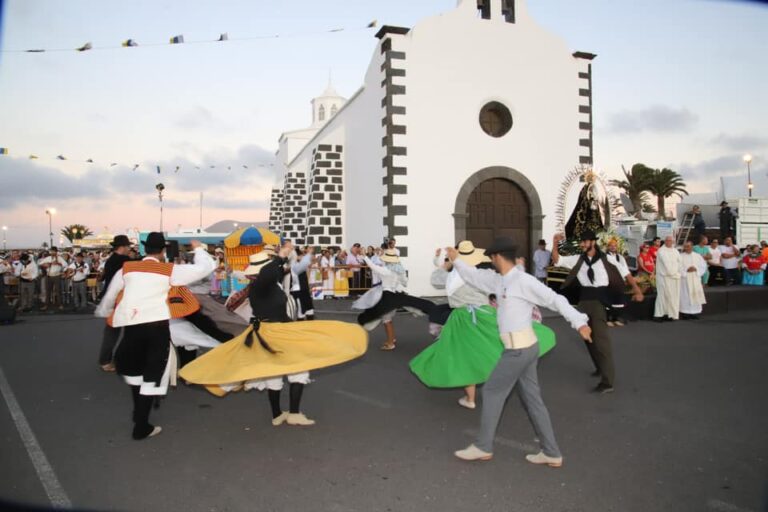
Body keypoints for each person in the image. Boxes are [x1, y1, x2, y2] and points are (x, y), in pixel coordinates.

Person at [178, 243, 368, 427]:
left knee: (274, 372)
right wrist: (281, 255)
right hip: (276, 332)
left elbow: (279, 271)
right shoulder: (261, 286)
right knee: (299, 370)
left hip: (273, 331)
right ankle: (292, 414)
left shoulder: (265, 285)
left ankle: (278, 415)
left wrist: (289, 258)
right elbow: (271, 272)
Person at [448, 237, 591, 465]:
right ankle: (551, 452)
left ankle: (483, 446)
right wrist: (457, 261)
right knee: (533, 400)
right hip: (525, 348)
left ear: (496, 257)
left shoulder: (523, 281)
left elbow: (554, 299)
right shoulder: (499, 280)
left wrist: (579, 322)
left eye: (491, 258)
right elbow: (473, 276)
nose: (491, 262)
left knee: (493, 391)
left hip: (518, 350)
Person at [96, 233, 215, 440]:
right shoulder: (168, 270)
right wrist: (198, 249)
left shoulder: (127, 269)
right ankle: (141, 426)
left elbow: (111, 296)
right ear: (162, 251)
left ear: (144, 250)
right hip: (156, 328)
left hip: (131, 328)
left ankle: (138, 416)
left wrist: (106, 313)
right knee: (152, 376)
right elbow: (205, 268)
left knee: (135, 372)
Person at [410, 241, 556, 410]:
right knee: (498, 344)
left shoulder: (450, 276)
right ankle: (511, 374)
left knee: (464, 356)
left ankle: (470, 398)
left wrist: (446, 263)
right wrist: (519, 268)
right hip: (485, 314)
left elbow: (435, 280)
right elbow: (506, 282)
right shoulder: (482, 273)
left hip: (462, 318)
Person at [552, 231, 644, 393]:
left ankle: (608, 382)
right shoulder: (578, 260)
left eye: (585, 242)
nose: (582, 245)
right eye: (581, 242)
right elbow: (557, 260)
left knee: (601, 340)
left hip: (599, 301)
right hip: (584, 301)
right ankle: (600, 367)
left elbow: (626, 274)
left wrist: (637, 290)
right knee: (587, 338)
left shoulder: (607, 259)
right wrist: (555, 243)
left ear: (593, 242)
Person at [353, 249, 434, 350]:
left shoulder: (386, 270)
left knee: (386, 320)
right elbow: (404, 282)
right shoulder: (398, 271)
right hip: (394, 295)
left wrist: (365, 257)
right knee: (387, 319)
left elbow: (373, 267)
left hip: (387, 297)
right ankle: (392, 339)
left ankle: (390, 343)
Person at [97, 235, 134, 372]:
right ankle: (109, 360)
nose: (129, 248)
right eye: (128, 246)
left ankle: (107, 359)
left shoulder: (110, 260)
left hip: (112, 299)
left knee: (112, 332)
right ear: (123, 247)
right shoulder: (123, 260)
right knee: (120, 332)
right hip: (119, 300)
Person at [654, 236, 682, 322]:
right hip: (664, 277)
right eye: (668, 240)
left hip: (674, 277)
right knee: (662, 296)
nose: (670, 242)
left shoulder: (675, 251)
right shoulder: (661, 251)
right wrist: (673, 273)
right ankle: (659, 315)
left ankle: (669, 314)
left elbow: (680, 262)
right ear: (665, 241)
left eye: (671, 241)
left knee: (672, 296)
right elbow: (666, 264)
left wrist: (677, 273)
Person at [603, 238, 630, 327]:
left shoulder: (620, 257)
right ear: (608, 247)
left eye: (614, 246)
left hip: (618, 282)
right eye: (611, 246)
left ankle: (615, 318)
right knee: (608, 300)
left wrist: (625, 279)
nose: (613, 247)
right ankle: (607, 319)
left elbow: (625, 269)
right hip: (609, 281)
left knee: (618, 301)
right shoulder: (604, 257)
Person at [679, 241, 708, 320]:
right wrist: (686, 270)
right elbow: (678, 267)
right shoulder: (680, 256)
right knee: (685, 295)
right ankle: (685, 313)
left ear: (692, 247)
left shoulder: (697, 256)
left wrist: (696, 269)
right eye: (685, 246)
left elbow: (703, 266)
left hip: (695, 278)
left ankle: (694, 312)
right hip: (685, 279)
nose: (687, 248)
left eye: (688, 246)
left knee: (695, 294)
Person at [38, 247, 67, 311]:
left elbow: (65, 265)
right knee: (48, 291)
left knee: (58, 291)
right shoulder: (48, 258)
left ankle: (60, 304)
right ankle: (46, 305)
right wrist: (45, 265)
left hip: (57, 275)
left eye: (54, 251)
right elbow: (39, 264)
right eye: (51, 251)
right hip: (49, 275)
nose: (52, 252)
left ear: (56, 252)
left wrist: (58, 263)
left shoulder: (59, 258)